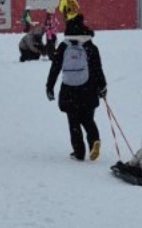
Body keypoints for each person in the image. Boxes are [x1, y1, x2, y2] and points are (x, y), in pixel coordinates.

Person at [45, 16, 107, 162]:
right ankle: (94, 141)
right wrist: (102, 86)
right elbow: (97, 69)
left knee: (73, 122)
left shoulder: (63, 46)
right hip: (88, 89)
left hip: (69, 90)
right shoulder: (90, 46)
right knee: (88, 119)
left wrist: (50, 86)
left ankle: (79, 152)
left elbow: (55, 68)